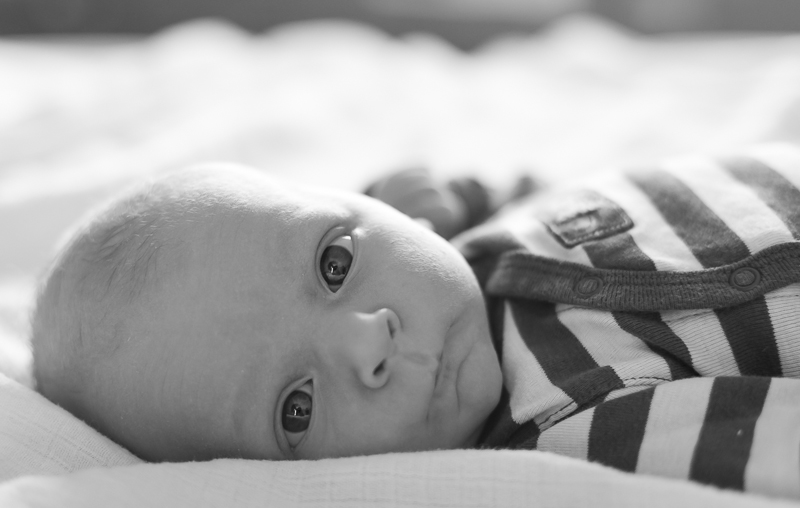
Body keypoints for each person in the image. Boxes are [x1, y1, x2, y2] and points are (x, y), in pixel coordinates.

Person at [30, 143, 800, 499]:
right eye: (296, 407)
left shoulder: (463, 241)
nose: (368, 339)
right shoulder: (573, 421)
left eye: (334, 263)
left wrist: (445, 197)